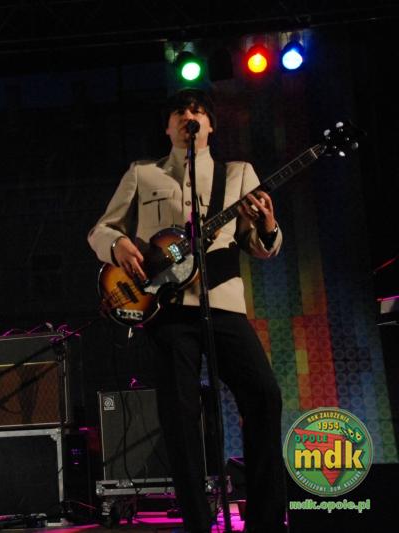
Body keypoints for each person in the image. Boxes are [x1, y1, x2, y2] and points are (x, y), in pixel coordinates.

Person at [88, 88, 286, 533]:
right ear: (168, 126)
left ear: (210, 126)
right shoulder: (143, 173)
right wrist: (117, 245)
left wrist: (269, 225)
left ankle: (267, 520)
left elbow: (259, 246)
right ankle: (197, 521)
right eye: (179, 111)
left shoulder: (238, 173)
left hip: (224, 303)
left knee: (264, 395)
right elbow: (101, 229)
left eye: (197, 111)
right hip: (167, 310)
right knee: (179, 416)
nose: (188, 116)